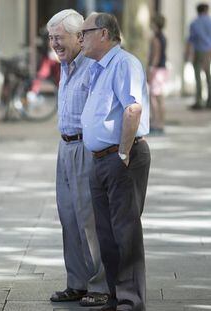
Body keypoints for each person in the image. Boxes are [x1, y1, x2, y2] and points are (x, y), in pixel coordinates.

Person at [80, 13, 151, 311]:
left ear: (104, 35)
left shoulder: (124, 63)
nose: (80, 38)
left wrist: (123, 152)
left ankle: (131, 301)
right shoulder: (98, 67)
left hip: (121, 157)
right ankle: (115, 294)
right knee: (106, 234)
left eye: (85, 32)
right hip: (100, 159)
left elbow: (133, 109)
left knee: (125, 232)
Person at [46, 9, 109, 307]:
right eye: (51, 38)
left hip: (86, 148)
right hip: (65, 147)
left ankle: (100, 285)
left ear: (78, 37)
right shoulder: (65, 65)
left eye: (59, 38)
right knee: (68, 218)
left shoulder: (93, 66)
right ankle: (77, 283)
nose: (54, 44)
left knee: (89, 220)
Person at [185, 3, 211, 110]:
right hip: (208, 51)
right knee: (208, 76)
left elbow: (190, 40)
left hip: (197, 51)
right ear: (206, 10)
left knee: (198, 77)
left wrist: (187, 54)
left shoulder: (194, 23)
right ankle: (209, 101)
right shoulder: (210, 22)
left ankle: (199, 101)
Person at [148, 14, 167, 135]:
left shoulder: (155, 38)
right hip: (163, 69)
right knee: (159, 97)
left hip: (157, 69)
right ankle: (160, 122)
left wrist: (150, 69)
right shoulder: (163, 37)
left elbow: (156, 55)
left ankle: (156, 123)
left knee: (153, 97)